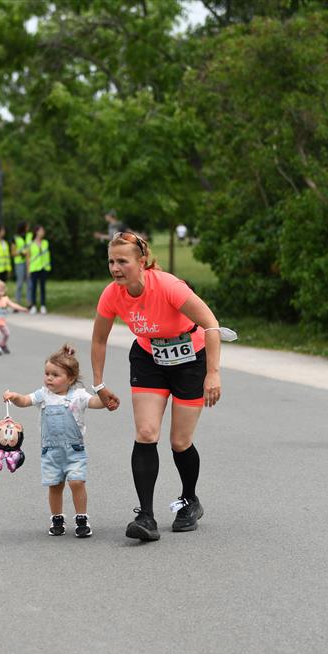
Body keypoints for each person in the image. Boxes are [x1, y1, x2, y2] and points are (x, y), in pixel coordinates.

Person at [91, 231, 222, 542]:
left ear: (142, 262)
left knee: (180, 441)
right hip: (149, 359)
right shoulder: (112, 294)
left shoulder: (167, 286)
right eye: (111, 262)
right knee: (147, 433)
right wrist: (99, 384)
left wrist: (213, 373)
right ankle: (146, 516)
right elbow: (99, 339)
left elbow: (212, 325)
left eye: (122, 261)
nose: (115, 268)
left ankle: (189, 501)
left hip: (190, 359)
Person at [3, 344, 108, 537]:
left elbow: (95, 402)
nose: (49, 378)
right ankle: (57, 518)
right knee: (55, 485)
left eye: (55, 375)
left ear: (70, 379)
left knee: (77, 482)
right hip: (51, 452)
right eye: (47, 374)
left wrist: (106, 399)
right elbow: (25, 401)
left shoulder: (78, 396)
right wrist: (15, 397)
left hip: (74, 451)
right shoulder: (43, 395)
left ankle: (82, 518)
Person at [0, 279, 28, 356]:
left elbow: (13, 305)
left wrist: (22, 309)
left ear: (4, 291)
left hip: (2, 321)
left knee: (7, 334)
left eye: (1, 291)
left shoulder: (5, 299)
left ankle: (2, 344)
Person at [28, 225, 51, 315]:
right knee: (33, 288)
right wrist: (28, 269)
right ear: (36, 232)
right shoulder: (31, 244)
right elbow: (28, 257)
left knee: (42, 287)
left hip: (43, 267)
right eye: (41, 231)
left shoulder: (45, 243)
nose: (43, 232)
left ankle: (43, 305)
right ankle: (33, 305)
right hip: (34, 268)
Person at [11, 221, 33, 309]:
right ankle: (17, 303)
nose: (28, 227)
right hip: (19, 262)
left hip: (29, 261)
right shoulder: (15, 238)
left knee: (29, 282)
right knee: (19, 283)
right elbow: (13, 252)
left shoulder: (30, 235)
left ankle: (29, 303)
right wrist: (21, 253)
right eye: (27, 226)